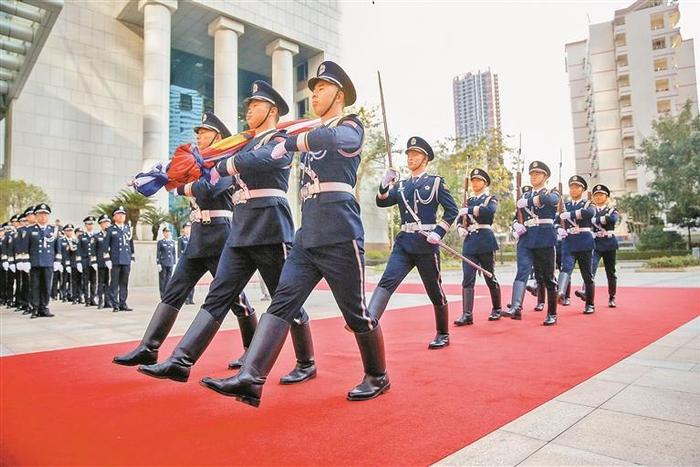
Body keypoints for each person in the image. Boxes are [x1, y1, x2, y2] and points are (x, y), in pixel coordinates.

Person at [199, 61, 389, 407]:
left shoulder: (350, 126)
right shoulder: (307, 134)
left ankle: (378, 375)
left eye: (322, 88)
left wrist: (291, 141)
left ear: (339, 94)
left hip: (340, 232)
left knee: (356, 311)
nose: (314, 94)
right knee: (282, 301)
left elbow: (332, 137)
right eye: (312, 89)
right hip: (308, 234)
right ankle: (251, 378)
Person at [137, 81, 315, 386]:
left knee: (285, 298)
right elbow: (212, 171)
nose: (248, 110)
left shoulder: (281, 139)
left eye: (254, 105)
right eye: (247, 105)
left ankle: (306, 361)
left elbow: (265, 159)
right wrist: (170, 174)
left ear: (272, 110)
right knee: (218, 296)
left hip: (270, 225)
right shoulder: (240, 145)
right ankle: (181, 360)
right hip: (242, 227)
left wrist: (223, 163)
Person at [113, 112, 252, 367]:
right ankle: (149, 347)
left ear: (218, 137)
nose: (198, 136)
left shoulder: (225, 163)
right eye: (198, 132)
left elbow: (210, 188)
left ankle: (251, 351)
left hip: (220, 235)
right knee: (173, 291)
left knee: (236, 299)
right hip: (198, 235)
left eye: (204, 132)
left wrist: (180, 184)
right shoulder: (196, 165)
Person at [368, 136, 458, 348]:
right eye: (408, 154)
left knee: (433, 288)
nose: (410, 158)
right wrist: (384, 184)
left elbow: (451, 211)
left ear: (425, 159)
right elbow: (382, 203)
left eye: (415, 154)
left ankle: (443, 333)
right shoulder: (400, 186)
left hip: (427, 242)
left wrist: (438, 231)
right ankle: (368, 320)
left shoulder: (435, 182)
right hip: (404, 243)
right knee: (387, 280)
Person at [502, 161, 560, 326]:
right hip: (526, 238)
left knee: (548, 277)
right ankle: (516, 307)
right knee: (522, 272)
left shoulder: (551, 191)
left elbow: (551, 200)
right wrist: (516, 226)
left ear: (545, 176)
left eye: (537, 174)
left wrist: (528, 202)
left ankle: (552, 313)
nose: (534, 177)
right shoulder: (524, 195)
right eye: (532, 174)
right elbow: (516, 216)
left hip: (544, 236)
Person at [454, 168, 503, 325]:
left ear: (484, 183)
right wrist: (460, 227)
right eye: (473, 180)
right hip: (470, 243)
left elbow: (489, 212)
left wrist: (468, 210)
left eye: (478, 180)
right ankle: (467, 314)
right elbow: (460, 219)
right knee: (467, 278)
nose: (475, 183)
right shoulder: (467, 201)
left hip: (485, 241)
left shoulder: (490, 199)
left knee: (489, 276)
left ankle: (496, 308)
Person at [556, 175, 595, 315]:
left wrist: (570, 215)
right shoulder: (564, 205)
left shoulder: (588, 203)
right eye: (571, 187)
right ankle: (560, 293)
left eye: (576, 187)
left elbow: (589, 213)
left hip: (584, 241)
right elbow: (557, 220)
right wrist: (559, 229)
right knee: (565, 268)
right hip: (569, 242)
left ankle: (590, 304)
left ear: (582, 189)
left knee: (587, 275)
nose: (573, 189)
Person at [26, 204, 62, 318]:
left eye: (45, 214)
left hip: (48, 262)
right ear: (36, 216)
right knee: (35, 286)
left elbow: (58, 247)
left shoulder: (53, 230)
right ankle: (35, 308)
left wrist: (57, 260)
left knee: (47, 286)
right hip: (35, 262)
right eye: (40, 214)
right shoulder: (30, 230)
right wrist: (25, 261)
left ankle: (44, 308)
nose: (43, 217)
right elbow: (25, 247)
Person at [589, 184, 620, 308]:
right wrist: (602, 220)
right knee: (591, 270)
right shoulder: (590, 210)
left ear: (606, 197)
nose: (598, 197)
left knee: (610, 272)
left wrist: (594, 220)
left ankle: (612, 297)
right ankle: (588, 296)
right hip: (595, 243)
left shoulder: (612, 210)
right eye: (596, 195)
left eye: (601, 195)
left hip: (609, 244)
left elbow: (612, 220)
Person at [105, 206, 134, 312]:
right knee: (114, 282)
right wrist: (107, 259)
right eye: (119, 214)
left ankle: (123, 303)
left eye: (123, 214)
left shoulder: (127, 229)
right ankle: (115, 304)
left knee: (124, 282)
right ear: (114, 217)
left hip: (126, 259)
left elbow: (130, 244)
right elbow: (106, 245)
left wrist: (132, 257)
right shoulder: (110, 229)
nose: (122, 216)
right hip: (115, 260)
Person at [78, 216, 98, 306]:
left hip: (93, 261)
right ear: (85, 225)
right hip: (85, 260)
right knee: (85, 281)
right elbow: (79, 250)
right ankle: (87, 299)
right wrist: (79, 262)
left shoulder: (96, 236)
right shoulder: (82, 236)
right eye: (88, 224)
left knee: (94, 281)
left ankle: (93, 298)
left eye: (91, 224)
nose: (90, 226)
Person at [93, 214, 113, 309]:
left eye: (108, 222)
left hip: (111, 262)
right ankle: (100, 300)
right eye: (104, 223)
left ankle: (108, 301)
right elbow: (93, 251)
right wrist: (94, 262)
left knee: (108, 282)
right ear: (100, 224)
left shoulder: (112, 235)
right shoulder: (97, 236)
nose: (107, 224)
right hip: (101, 262)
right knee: (101, 282)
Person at [156, 226, 176, 299]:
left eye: (168, 232)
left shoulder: (172, 242)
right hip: (163, 263)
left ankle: (167, 294)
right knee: (162, 280)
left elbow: (174, 253)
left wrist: (174, 263)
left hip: (170, 262)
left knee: (169, 279)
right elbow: (158, 253)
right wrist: (158, 263)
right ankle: (162, 295)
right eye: (166, 232)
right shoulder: (160, 242)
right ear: (163, 233)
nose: (167, 233)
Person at [177, 222, 195, 305]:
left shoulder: (194, 238)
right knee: (186, 281)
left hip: (193, 261)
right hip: (186, 261)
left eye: (189, 227)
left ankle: (191, 298)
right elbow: (180, 252)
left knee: (193, 281)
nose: (188, 229)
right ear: (183, 229)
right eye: (186, 228)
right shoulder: (181, 239)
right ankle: (186, 298)